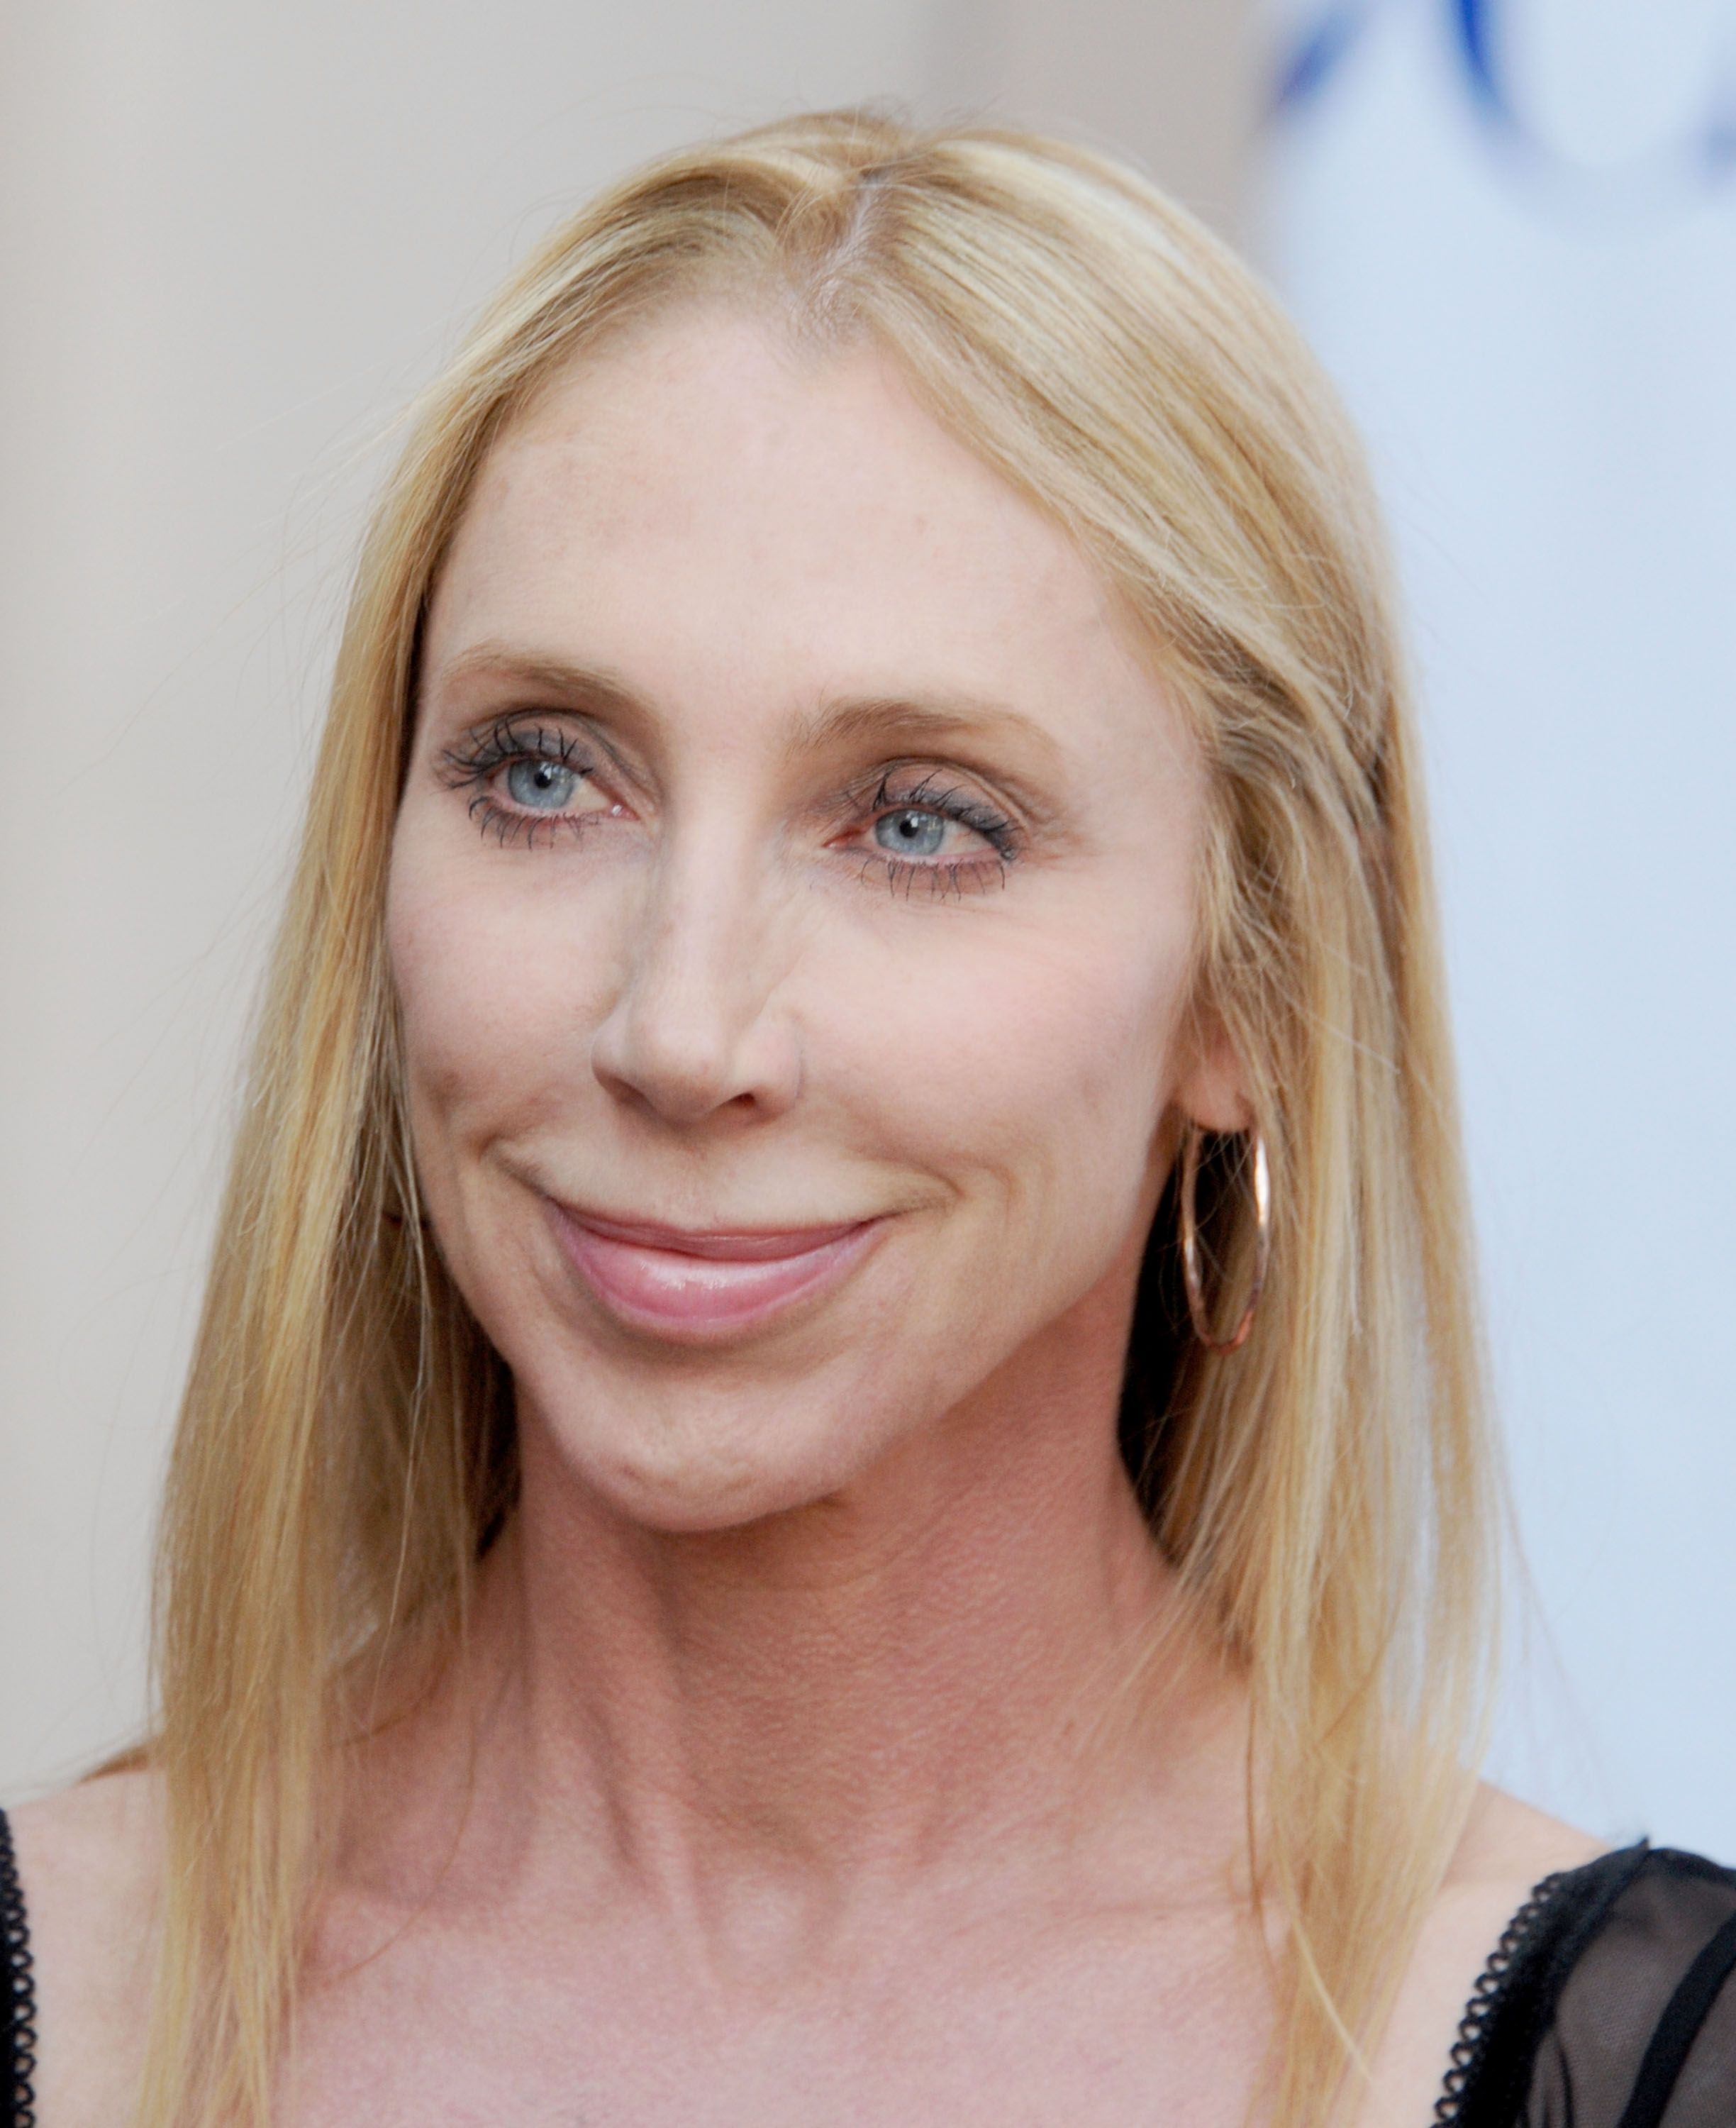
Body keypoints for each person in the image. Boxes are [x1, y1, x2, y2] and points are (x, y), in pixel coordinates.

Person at [2, 109, 1732, 2128]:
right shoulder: (67, 1987)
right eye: (548, 776)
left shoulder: (1629, 2068)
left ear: (1259, 980)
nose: (680, 1024)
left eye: (923, 823)